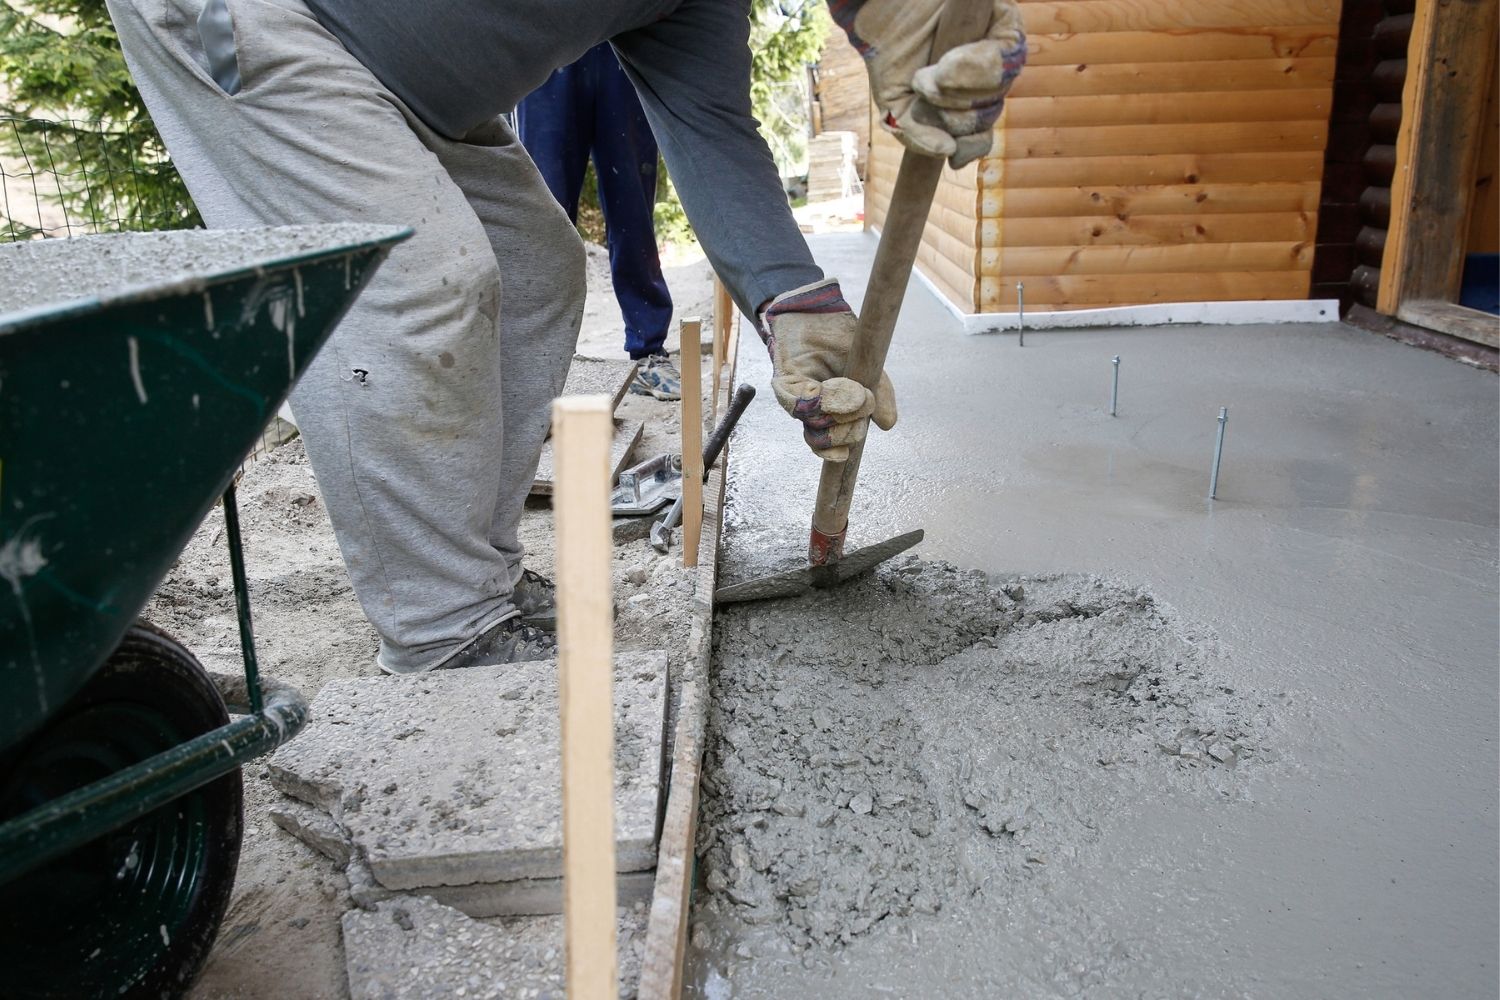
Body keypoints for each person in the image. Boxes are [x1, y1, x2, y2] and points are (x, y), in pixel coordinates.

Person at [104, 0, 1026, 674]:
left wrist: (796, 303)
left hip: (409, 85)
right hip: (266, 23)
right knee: (423, 284)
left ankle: (475, 576)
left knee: (539, 271)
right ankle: (440, 631)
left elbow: (710, 126)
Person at [515, 43, 680, 401]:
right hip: (545, 40)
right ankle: (538, 368)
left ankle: (648, 351)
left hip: (621, 42)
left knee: (633, 204)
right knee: (546, 216)